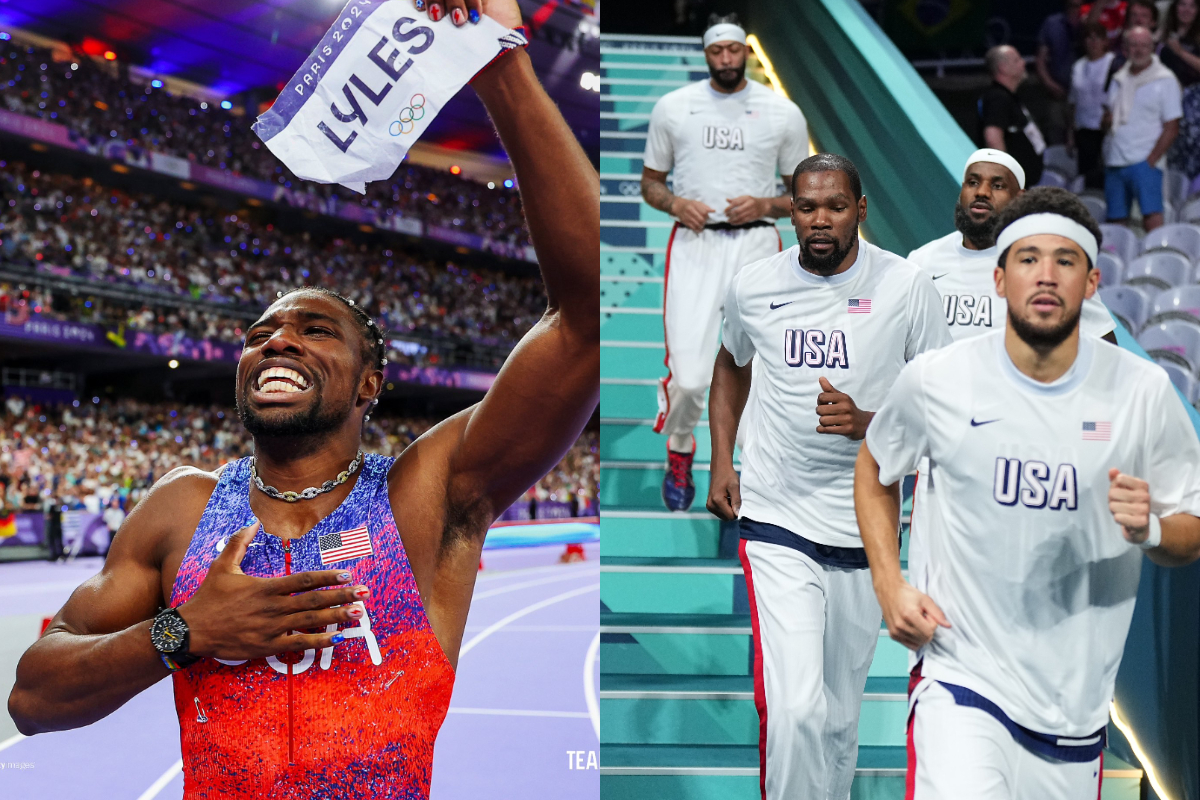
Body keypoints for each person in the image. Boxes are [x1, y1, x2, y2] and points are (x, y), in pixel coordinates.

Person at [6, 2, 600, 799]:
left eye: (314, 329)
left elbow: (589, 318)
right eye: (259, 332)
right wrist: (186, 633)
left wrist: (504, 67)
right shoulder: (180, 510)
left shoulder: (427, 494)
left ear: (369, 383)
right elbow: (33, 698)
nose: (275, 341)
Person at [855, 186, 1200, 798]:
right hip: (959, 679)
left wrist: (1150, 530)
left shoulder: (1142, 393)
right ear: (998, 278)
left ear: (1092, 283)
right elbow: (876, 466)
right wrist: (888, 581)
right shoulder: (939, 380)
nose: (1046, 275)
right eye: (1027, 258)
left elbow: (1191, 528)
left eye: (1065, 261)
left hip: (1074, 711)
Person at [706, 154, 951, 800]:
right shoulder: (754, 284)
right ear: (790, 210)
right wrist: (720, 457)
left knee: (840, 723)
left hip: (866, 529)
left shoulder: (906, 287)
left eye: (835, 207)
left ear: (860, 211)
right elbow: (731, 363)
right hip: (777, 518)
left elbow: (951, 403)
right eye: (806, 206)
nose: (819, 220)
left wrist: (872, 421)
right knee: (796, 713)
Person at [641, 12, 809, 511]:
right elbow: (651, 183)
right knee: (691, 375)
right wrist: (674, 203)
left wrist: (764, 204)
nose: (727, 59)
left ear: (744, 50)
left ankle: (746, 468)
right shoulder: (674, 108)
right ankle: (681, 447)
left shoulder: (783, 113)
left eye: (734, 50)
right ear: (706, 52)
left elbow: (804, 194)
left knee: (755, 364)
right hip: (695, 244)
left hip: (758, 245)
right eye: (717, 52)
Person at [1103, 26, 1181, 231]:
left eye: (1144, 45)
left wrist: (1151, 161)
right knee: (1115, 223)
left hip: (1144, 161)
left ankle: (1157, 261)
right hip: (1115, 160)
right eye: (1134, 45)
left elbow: (1172, 127)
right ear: (1125, 48)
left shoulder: (1165, 80)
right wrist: (1107, 121)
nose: (1139, 50)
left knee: (1152, 220)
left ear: (1152, 48)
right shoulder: (1118, 78)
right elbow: (1108, 120)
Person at [980, 46, 1046, 187]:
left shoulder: (1009, 98)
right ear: (1003, 68)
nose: (1023, 63)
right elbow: (993, 138)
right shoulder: (998, 98)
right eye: (1017, 60)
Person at [1069, 22, 1118, 189]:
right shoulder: (1078, 66)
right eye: (1089, 38)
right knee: (1086, 173)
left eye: (1098, 38)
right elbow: (1073, 101)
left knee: (1106, 172)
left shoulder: (1113, 62)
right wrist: (1070, 132)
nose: (1093, 42)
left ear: (1105, 41)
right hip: (1084, 128)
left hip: (1105, 128)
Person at [1037, 0, 1085, 145]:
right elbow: (1040, 58)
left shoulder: (1091, 20)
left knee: (1082, 137)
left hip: (1084, 95)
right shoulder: (1052, 23)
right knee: (1055, 135)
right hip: (1058, 91)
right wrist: (1048, 83)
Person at [1162, 0, 1200, 179]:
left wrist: (1180, 52)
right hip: (1167, 100)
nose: (1186, 10)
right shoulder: (1163, 35)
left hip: (1194, 104)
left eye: (1192, 5)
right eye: (1182, 4)